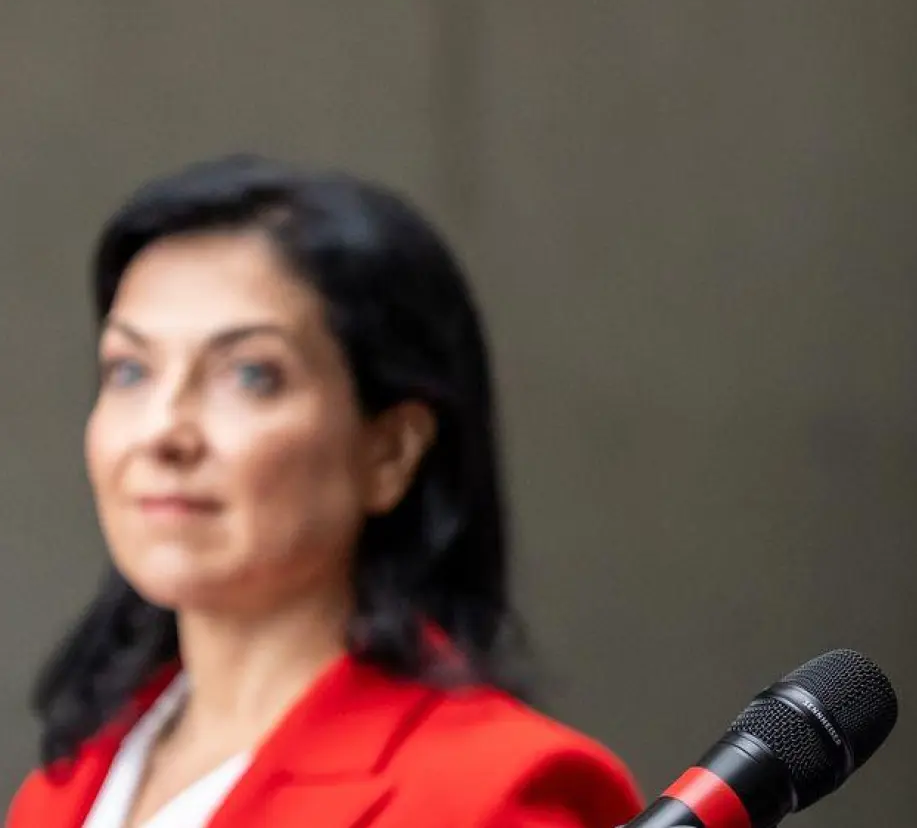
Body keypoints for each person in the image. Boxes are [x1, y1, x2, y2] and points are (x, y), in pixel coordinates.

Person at [6, 154, 644, 827]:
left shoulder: (487, 795)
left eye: (250, 375)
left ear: (390, 449)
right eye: (130, 370)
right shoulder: (65, 789)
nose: (163, 432)